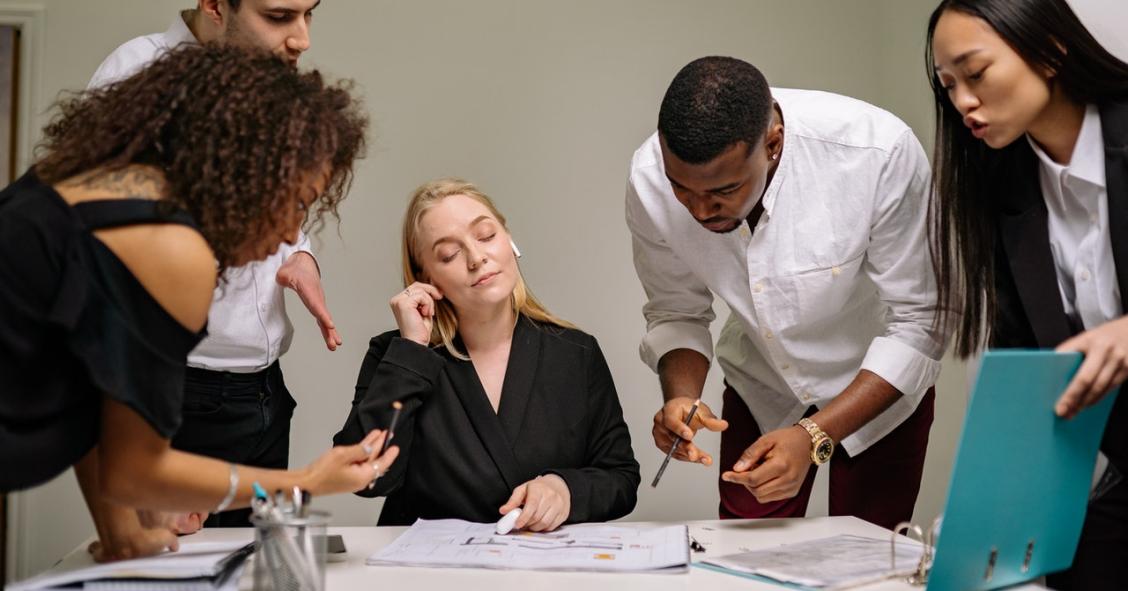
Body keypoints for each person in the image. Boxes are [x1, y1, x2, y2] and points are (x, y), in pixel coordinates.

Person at [0, 44, 397, 562]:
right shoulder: (172, 248)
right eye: (296, 202)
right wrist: (304, 482)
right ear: (242, 167)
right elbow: (135, 472)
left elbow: (91, 391)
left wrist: (123, 537)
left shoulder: (98, 189)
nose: (290, 233)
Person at [626, 57, 945, 529]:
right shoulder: (649, 178)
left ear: (773, 144)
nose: (698, 210)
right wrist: (682, 398)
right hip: (763, 383)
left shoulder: (877, 151)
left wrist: (815, 433)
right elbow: (677, 310)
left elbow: (921, 324)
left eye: (722, 191)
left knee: (867, 553)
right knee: (747, 552)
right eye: (682, 191)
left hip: (876, 384)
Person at [87, 0, 332, 528]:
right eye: (280, 16)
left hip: (265, 389)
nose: (303, 39)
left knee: (264, 571)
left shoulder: (268, 79)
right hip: (181, 388)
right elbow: (101, 251)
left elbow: (268, 201)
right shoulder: (139, 74)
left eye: (311, 14)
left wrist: (300, 253)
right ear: (215, 5)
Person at [928, 1, 1128, 587]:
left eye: (976, 73)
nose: (962, 101)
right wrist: (981, 523)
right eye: (948, 86)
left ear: (1050, 51)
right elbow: (1030, 375)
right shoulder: (1002, 187)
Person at [334, 179, 640, 531]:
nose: (477, 258)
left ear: (509, 239)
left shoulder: (576, 353)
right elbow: (365, 478)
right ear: (425, 276)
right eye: (449, 254)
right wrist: (411, 350)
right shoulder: (398, 356)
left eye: (486, 235)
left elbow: (620, 477)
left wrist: (565, 489)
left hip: (541, 572)